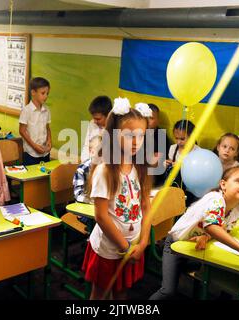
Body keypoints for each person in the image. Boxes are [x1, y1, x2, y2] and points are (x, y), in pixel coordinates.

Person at [149, 166, 239, 300]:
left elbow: (222, 229)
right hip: (175, 246)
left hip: (194, 248)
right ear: (223, 184)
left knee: (215, 272)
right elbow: (212, 226)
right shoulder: (215, 199)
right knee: (168, 291)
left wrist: (206, 236)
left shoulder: (238, 208)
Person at [82, 97, 153, 300]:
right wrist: (126, 247)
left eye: (141, 136)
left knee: (122, 292)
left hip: (134, 246)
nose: (136, 142)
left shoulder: (139, 167)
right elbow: (101, 216)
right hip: (110, 250)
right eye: (129, 135)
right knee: (101, 294)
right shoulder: (105, 170)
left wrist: (144, 243)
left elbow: (147, 206)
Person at [164, 120, 199, 205]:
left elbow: (197, 174)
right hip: (174, 187)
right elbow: (170, 168)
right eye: (176, 138)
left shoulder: (197, 152)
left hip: (189, 190)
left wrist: (182, 166)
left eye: (182, 139)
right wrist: (166, 164)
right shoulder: (173, 148)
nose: (178, 142)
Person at [19, 77, 52, 165]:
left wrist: (49, 141)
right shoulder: (26, 110)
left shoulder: (47, 110)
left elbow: (47, 128)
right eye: (43, 93)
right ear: (33, 92)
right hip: (31, 154)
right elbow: (22, 131)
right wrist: (34, 146)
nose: (46, 96)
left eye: (47, 93)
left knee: (44, 176)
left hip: (45, 152)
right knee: (32, 177)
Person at [81, 96, 112, 162]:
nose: (95, 121)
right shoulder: (92, 124)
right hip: (90, 163)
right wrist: (85, 162)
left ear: (108, 115)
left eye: (98, 119)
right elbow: (86, 145)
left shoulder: (115, 128)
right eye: (93, 118)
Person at [146, 103, 170, 187]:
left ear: (158, 120)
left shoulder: (161, 136)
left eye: (151, 118)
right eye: (145, 118)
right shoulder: (138, 133)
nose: (148, 121)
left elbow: (158, 161)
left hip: (154, 176)